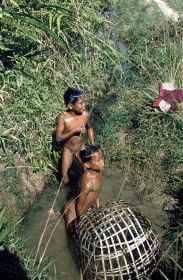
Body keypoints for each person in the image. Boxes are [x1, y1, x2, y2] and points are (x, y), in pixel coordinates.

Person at [56, 88, 95, 186]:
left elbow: (90, 128)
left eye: (84, 102)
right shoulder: (63, 117)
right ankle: (62, 193)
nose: (84, 105)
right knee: (65, 178)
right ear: (70, 106)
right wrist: (75, 131)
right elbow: (58, 138)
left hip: (81, 148)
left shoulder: (85, 115)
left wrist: (93, 145)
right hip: (68, 149)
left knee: (86, 173)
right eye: (81, 103)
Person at [65, 144, 104, 239]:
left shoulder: (96, 172)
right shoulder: (88, 181)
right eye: (98, 160)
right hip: (74, 212)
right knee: (73, 238)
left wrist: (98, 207)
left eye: (102, 158)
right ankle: (54, 214)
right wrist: (83, 224)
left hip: (84, 209)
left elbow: (96, 192)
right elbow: (78, 205)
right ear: (87, 165)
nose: (102, 162)